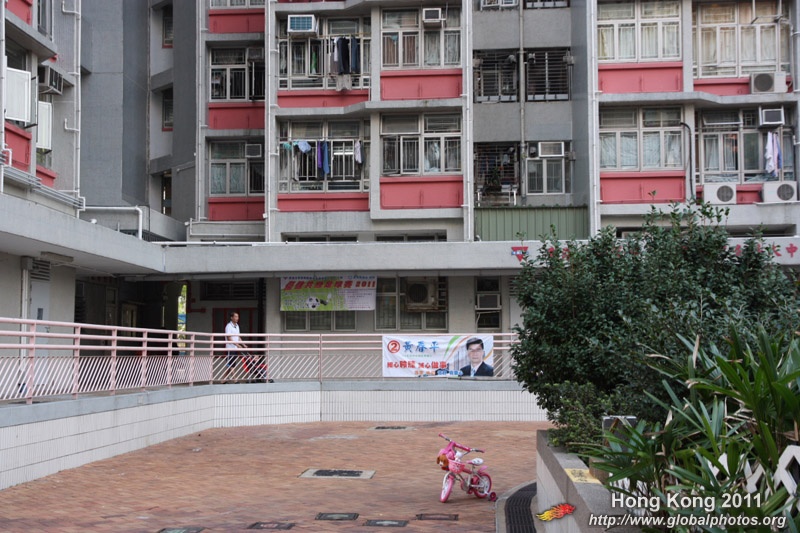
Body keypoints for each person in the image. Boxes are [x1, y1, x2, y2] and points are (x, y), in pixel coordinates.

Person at [224, 311, 246, 382]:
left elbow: (238, 337)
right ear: (231, 317)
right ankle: (235, 379)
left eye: (238, 316)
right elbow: (229, 338)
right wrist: (238, 345)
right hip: (230, 348)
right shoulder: (228, 326)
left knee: (231, 365)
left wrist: (243, 344)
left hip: (235, 348)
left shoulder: (237, 326)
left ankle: (223, 380)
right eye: (236, 316)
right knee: (231, 364)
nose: (237, 318)